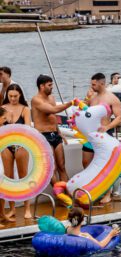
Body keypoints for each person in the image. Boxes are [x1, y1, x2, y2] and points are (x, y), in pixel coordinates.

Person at [82, 73, 121, 203]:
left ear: (101, 83)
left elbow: (119, 117)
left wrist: (107, 127)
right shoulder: (92, 97)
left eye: (94, 84)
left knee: (106, 165)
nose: (91, 86)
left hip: (105, 135)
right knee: (86, 162)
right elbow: (85, 112)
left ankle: (108, 193)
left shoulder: (112, 98)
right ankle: (94, 188)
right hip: (91, 136)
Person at [31, 75, 74, 185]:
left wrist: (59, 132)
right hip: (43, 136)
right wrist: (71, 103)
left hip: (55, 134)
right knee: (52, 168)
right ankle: (59, 195)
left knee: (62, 166)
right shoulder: (36, 100)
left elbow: (53, 116)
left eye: (52, 85)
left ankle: (68, 194)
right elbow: (53, 109)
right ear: (41, 86)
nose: (52, 87)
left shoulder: (52, 98)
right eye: (49, 85)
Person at [2, 84, 33, 220]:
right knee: (8, 177)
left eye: (15, 96)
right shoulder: (2, 109)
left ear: (20, 95)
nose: (13, 98)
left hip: (21, 145)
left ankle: (27, 208)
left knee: (23, 176)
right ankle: (13, 209)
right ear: (7, 96)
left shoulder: (25, 109)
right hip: (6, 146)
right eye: (10, 96)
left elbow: (27, 128)